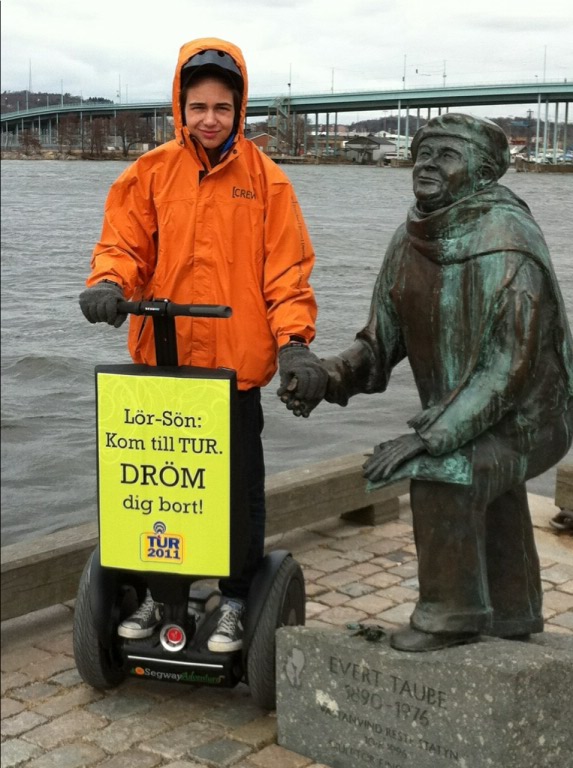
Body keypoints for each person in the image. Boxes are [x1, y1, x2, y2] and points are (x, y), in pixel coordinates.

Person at [279, 113, 573, 652]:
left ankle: (450, 615)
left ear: (483, 174)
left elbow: (507, 370)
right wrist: (328, 376)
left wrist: (428, 438)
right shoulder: (408, 240)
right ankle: (513, 610)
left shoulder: (511, 243)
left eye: (446, 156)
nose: (426, 165)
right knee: (478, 477)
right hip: (465, 412)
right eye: (423, 154)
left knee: (444, 474)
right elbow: (378, 344)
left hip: (529, 418)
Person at [79, 37, 326, 652]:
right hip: (163, 368)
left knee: (238, 490)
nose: (209, 119)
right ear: (180, 109)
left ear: (239, 110)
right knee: (161, 485)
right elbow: (124, 245)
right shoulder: (150, 173)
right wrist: (109, 284)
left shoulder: (268, 183)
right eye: (198, 107)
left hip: (233, 371)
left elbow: (287, 273)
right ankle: (167, 593)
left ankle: (237, 596)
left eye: (221, 107)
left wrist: (294, 343)